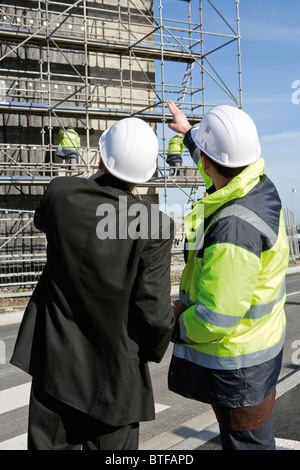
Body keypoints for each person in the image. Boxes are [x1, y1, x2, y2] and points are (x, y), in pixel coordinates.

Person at [10, 117, 175, 450]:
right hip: (116, 384)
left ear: (101, 158)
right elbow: (155, 316)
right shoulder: (154, 225)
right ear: (147, 173)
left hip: (54, 372)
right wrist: (149, 349)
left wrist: (91, 178)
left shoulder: (61, 193)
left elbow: (44, 218)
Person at [167, 100, 289, 450]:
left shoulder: (233, 227)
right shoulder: (257, 186)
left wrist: (170, 325)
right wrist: (191, 135)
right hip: (257, 353)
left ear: (207, 161)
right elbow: (218, 166)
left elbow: (216, 316)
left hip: (238, 369)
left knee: (247, 444)